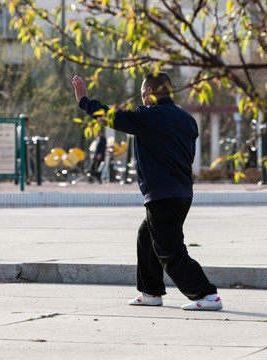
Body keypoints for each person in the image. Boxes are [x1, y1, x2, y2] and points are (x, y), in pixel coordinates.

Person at [72, 72, 222, 311]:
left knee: (170, 249)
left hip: (162, 195)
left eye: (143, 95)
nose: (142, 101)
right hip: (182, 193)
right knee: (146, 237)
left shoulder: (149, 116)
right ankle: (151, 292)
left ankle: (206, 294)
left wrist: (84, 101)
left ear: (150, 93)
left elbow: (112, 117)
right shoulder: (186, 119)